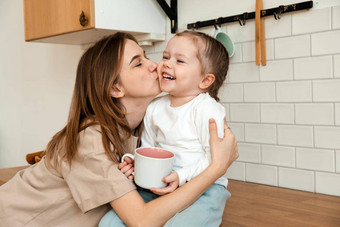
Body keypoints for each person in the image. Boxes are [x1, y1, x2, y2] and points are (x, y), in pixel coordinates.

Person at [0, 32, 238, 226]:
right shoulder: (91, 140)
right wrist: (217, 167)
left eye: (146, 57)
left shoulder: (138, 130)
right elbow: (142, 221)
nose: (156, 65)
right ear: (115, 88)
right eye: (138, 63)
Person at [100, 30, 231, 227]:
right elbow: (149, 148)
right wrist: (137, 162)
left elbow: (216, 159)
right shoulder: (155, 106)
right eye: (166, 56)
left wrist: (181, 176)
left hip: (206, 188)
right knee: (108, 223)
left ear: (205, 80)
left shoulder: (208, 109)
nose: (166, 64)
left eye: (180, 61)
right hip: (160, 185)